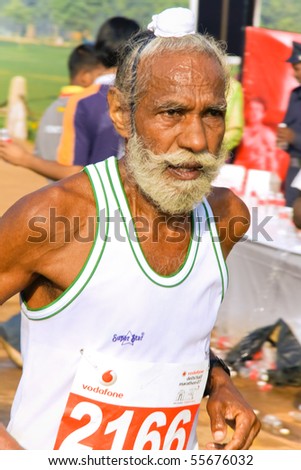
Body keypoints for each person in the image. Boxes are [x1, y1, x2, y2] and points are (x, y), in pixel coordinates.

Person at [0, 7, 260, 450]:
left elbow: (172, 333)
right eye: (172, 112)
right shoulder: (54, 219)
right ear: (122, 113)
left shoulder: (225, 218)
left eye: (212, 114)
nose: (197, 140)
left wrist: (218, 382)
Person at [0, 43, 105, 368]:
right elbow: (75, 171)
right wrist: (27, 159)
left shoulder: (67, 106)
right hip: (84, 213)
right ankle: (17, 333)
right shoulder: (84, 105)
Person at [0, 16, 141, 182]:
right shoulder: (147, 96)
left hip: (101, 203)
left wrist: (24, 158)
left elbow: (73, 173)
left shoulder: (84, 102)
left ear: (99, 48)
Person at [34, 43, 106, 166]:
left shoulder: (51, 109)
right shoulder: (89, 109)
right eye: (102, 76)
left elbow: (39, 152)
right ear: (85, 76)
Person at [276, 41, 301, 207]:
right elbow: (287, 124)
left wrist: (295, 138)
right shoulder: (295, 95)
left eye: (297, 68)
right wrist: (283, 139)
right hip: (295, 167)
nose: (294, 74)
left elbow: (294, 135)